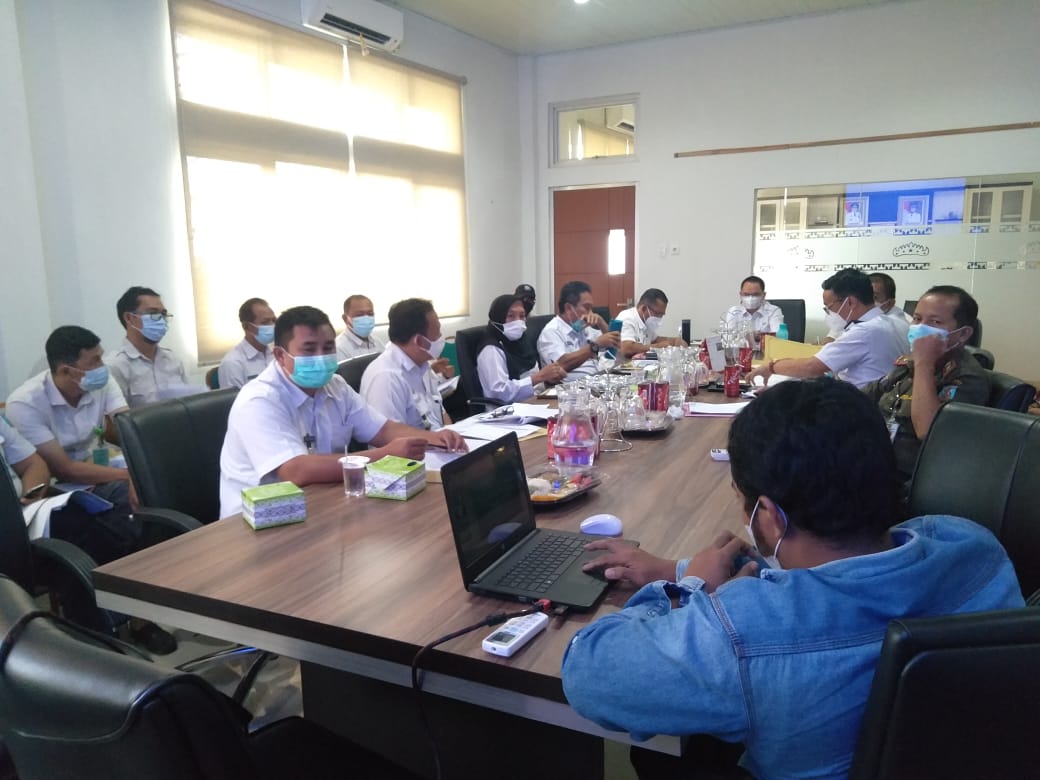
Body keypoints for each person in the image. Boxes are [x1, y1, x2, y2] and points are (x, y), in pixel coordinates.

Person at [561, 377, 1023, 780]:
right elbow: (841, 579)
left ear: (769, 516)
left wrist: (687, 587)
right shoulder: (970, 545)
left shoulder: (745, 631)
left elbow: (588, 671)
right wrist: (677, 568)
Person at [5, 326, 177, 653]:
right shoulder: (25, 402)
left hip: (99, 473)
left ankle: (135, 617)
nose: (102, 366)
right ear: (67, 371)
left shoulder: (100, 380)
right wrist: (129, 476)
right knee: (109, 525)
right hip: (59, 490)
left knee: (146, 507)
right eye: (94, 361)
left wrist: (138, 475)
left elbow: (128, 430)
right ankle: (107, 626)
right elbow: (62, 469)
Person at [219, 306, 466, 518]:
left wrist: (434, 438)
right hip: (254, 521)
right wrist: (384, 455)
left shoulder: (335, 386)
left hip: (320, 504)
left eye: (328, 347)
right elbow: (295, 470)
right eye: (309, 349)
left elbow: (382, 429)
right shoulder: (259, 400)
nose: (321, 357)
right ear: (280, 356)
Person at [863, 286, 988, 479]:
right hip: (872, 457)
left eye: (935, 322)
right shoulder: (908, 363)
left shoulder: (966, 376)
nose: (920, 327)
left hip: (907, 477)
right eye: (917, 318)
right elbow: (866, 395)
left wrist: (924, 363)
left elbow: (928, 430)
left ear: (963, 334)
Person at [746, 267, 908, 389]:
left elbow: (812, 367)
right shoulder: (894, 323)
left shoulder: (865, 331)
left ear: (850, 302)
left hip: (858, 408)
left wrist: (771, 367)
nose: (829, 313)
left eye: (829, 307)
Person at [361, 298, 458, 429]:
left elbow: (440, 412)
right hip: (419, 442)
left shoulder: (422, 365)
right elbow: (393, 438)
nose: (441, 337)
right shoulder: (386, 378)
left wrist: (453, 434)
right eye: (437, 332)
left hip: (438, 439)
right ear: (419, 341)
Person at [107, 285, 189, 407]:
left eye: (163, 314)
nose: (161, 320)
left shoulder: (173, 359)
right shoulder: (115, 366)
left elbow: (187, 404)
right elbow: (117, 416)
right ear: (129, 318)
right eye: (153, 313)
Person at [477, 294, 566, 403]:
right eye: (511, 316)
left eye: (522, 316)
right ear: (498, 317)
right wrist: (538, 377)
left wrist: (548, 380)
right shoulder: (491, 349)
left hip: (534, 402)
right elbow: (499, 393)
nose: (518, 321)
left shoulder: (522, 342)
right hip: (507, 409)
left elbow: (532, 383)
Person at [536, 281, 620, 380]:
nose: (591, 313)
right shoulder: (551, 332)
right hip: (570, 386)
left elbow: (615, 344)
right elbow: (561, 365)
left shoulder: (583, 327)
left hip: (597, 380)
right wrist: (595, 346)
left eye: (591, 309)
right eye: (587, 308)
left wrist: (601, 322)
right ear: (568, 308)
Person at [218, 297, 276, 388]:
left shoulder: (277, 354)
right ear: (247, 326)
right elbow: (235, 397)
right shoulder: (232, 363)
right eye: (265, 322)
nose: (272, 326)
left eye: (274, 321)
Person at [616, 288, 686, 359]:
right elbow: (627, 348)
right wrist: (657, 347)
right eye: (658, 314)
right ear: (644, 308)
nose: (659, 318)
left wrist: (674, 341)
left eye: (662, 315)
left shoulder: (646, 321)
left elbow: (655, 340)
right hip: (621, 363)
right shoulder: (627, 318)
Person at [335, 294, 385, 361]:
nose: (366, 318)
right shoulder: (339, 348)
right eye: (359, 315)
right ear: (345, 318)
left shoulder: (377, 342)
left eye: (370, 314)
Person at [869, 272, 911, 342]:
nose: (866, 301)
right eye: (865, 296)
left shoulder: (894, 325)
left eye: (875, 297)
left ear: (890, 303)